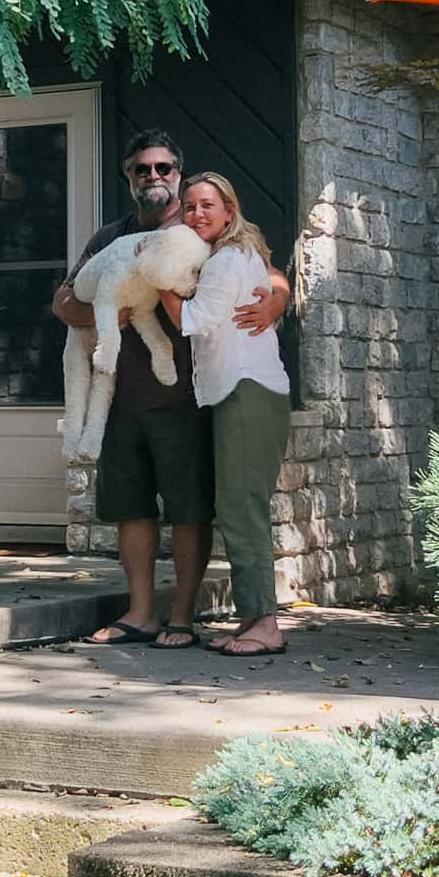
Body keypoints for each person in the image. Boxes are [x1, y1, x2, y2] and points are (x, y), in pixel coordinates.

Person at [52, 131, 287, 649]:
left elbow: (266, 270)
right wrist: (111, 307)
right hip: (120, 395)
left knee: (189, 508)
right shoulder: (109, 237)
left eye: (163, 169)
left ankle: (181, 616)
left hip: (186, 398)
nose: (153, 177)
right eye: (142, 170)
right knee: (130, 507)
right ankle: (141, 614)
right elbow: (64, 301)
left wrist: (278, 299)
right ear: (129, 179)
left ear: (178, 176)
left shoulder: (203, 231)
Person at [159, 173, 291, 656]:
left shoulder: (228, 260)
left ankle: (266, 625)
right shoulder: (226, 257)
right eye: (189, 206)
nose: (197, 214)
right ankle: (253, 619)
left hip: (246, 392)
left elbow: (191, 321)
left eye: (207, 205)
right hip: (241, 393)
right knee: (237, 507)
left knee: (241, 510)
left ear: (230, 212)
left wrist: (159, 282)